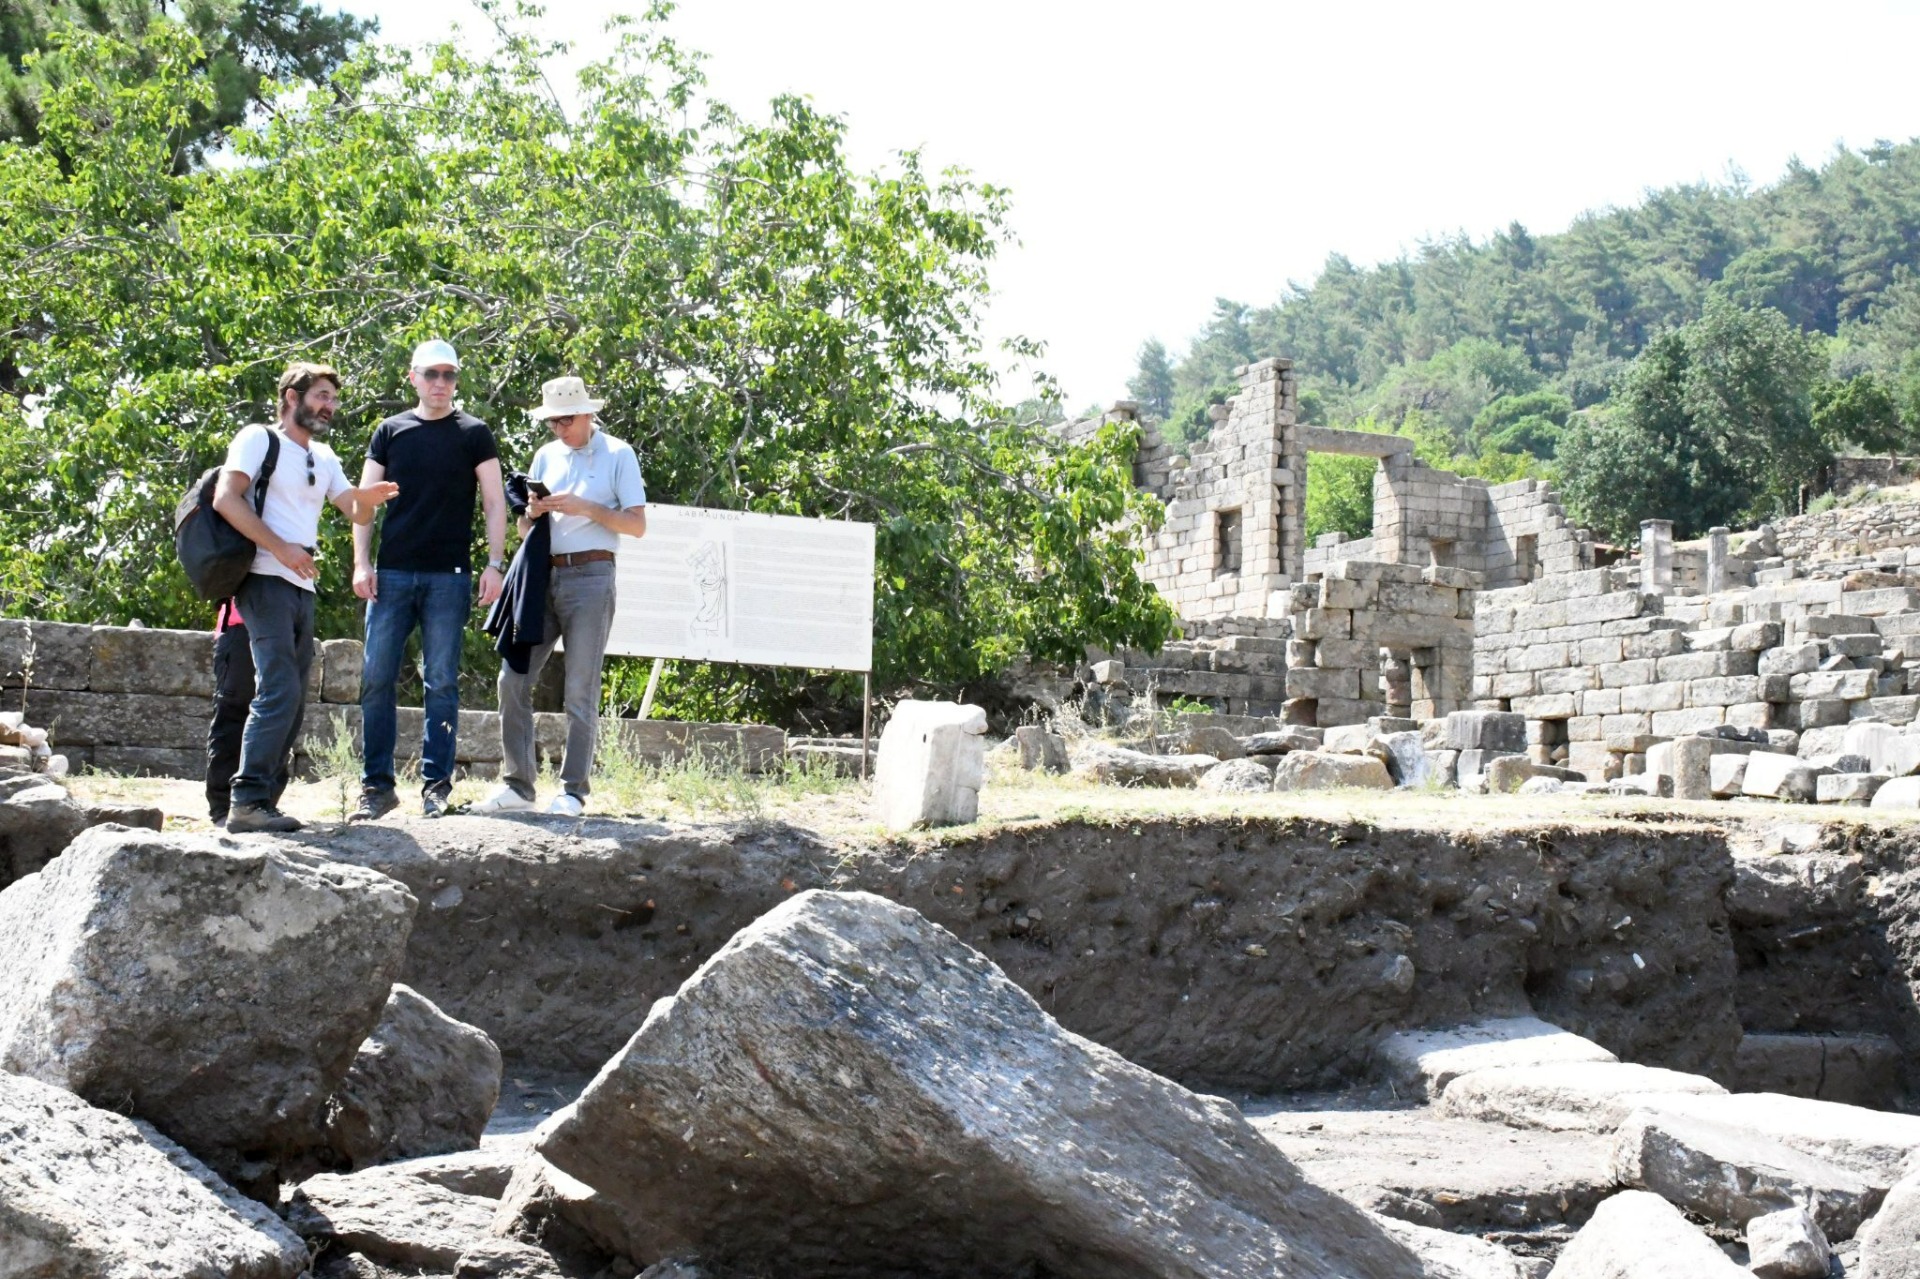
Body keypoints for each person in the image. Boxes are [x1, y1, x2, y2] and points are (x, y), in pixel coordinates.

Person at [213, 363, 399, 834]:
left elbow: (352, 507)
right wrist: (281, 549)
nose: (329, 406)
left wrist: (371, 498)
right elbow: (225, 499)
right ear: (291, 397)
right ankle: (247, 800)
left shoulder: (326, 456)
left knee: (293, 697)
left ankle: (265, 804)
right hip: (262, 576)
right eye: (320, 395)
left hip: (300, 581)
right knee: (278, 687)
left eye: (333, 398)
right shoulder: (258, 439)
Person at [472, 376, 646, 817]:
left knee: (579, 689)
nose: (558, 429)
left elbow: (637, 524)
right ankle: (518, 785)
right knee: (512, 680)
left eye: (565, 420)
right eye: (552, 421)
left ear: (588, 414)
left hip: (592, 574)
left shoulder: (619, 453)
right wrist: (532, 512)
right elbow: (527, 531)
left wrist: (586, 507)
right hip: (542, 575)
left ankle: (572, 791)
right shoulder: (545, 456)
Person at [351, 339, 507, 820]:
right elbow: (364, 501)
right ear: (413, 377)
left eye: (449, 375)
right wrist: (361, 561)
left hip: (450, 577)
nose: (441, 383)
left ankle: (436, 786)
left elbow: (495, 501)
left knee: (440, 681)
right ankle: (377, 787)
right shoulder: (390, 431)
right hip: (392, 573)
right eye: (432, 374)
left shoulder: (474, 433)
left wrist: (495, 564)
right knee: (376, 679)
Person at [204, 597, 253, 826]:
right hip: (238, 625)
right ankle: (222, 807)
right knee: (232, 715)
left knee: (281, 715)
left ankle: (262, 801)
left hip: (284, 628)